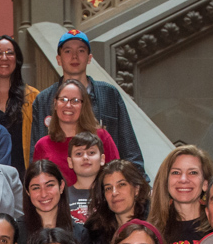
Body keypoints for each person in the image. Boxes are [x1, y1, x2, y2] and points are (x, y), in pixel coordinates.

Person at [30, 30, 144, 176]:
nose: (74, 56)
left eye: (81, 51)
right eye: (68, 51)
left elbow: (129, 147)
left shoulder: (109, 94)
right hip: (59, 188)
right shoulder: (44, 99)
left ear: (89, 58)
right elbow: (37, 152)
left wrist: (139, 182)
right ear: (58, 59)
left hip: (102, 185)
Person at [33, 79, 120, 187]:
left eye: (75, 101)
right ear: (55, 104)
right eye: (63, 99)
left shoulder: (102, 137)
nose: (68, 105)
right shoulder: (43, 145)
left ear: (84, 106)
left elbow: (117, 176)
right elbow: (37, 186)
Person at [86, 159, 150, 244]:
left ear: (136, 189)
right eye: (108, 188)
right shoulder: (94, 232)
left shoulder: (153, 227)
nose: (114, 193)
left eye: (121, 185)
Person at [148, 145, 213, 244]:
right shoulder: (152, 233)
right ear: (166, 182)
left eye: (193, 172)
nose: (183, 179)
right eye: (176, 172)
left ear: (205, 183)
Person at [0, 35, 39, 177]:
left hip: (24, 178)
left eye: (9, 53)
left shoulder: (33, 97)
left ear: (17, 59)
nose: (4, 58)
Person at [23, 159, 95, 244]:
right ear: (28, 192)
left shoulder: (80, 233)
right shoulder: (17, 231)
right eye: (36, 188)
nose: (43, 194)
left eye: (50, 185)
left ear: (61, 186)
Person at [66, 131, 106, 223]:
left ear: (102, 159)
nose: (85, 157)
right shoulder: (61, 196)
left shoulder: (110, 194)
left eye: (91, 152)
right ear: (70, 162)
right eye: (79, 154)